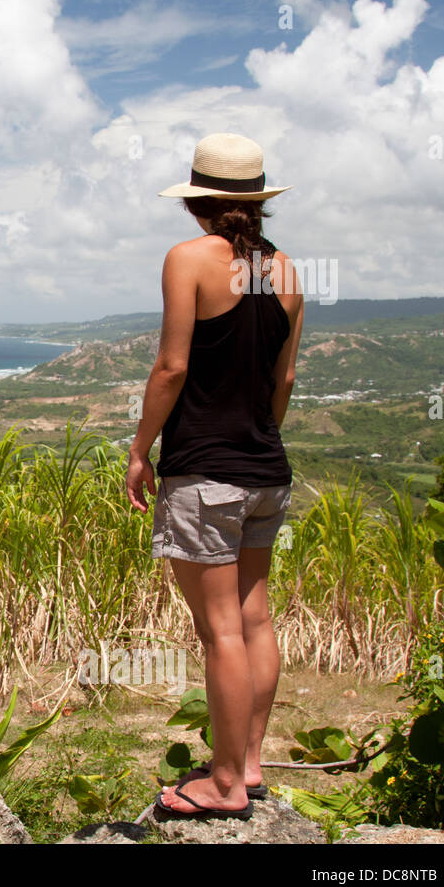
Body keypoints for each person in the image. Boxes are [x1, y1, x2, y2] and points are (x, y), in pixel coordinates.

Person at [125, 132, 304, 820]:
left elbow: (171, 367)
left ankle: (224, 786)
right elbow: (283, 379)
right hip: (266, 469)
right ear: (257, 202)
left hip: (205, 472)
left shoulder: (189, 260)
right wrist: (259, 437)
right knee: (256, 620)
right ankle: (248, 764)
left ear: (196, 199)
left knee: (221, 631)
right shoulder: (286, 271)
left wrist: (142, 449)